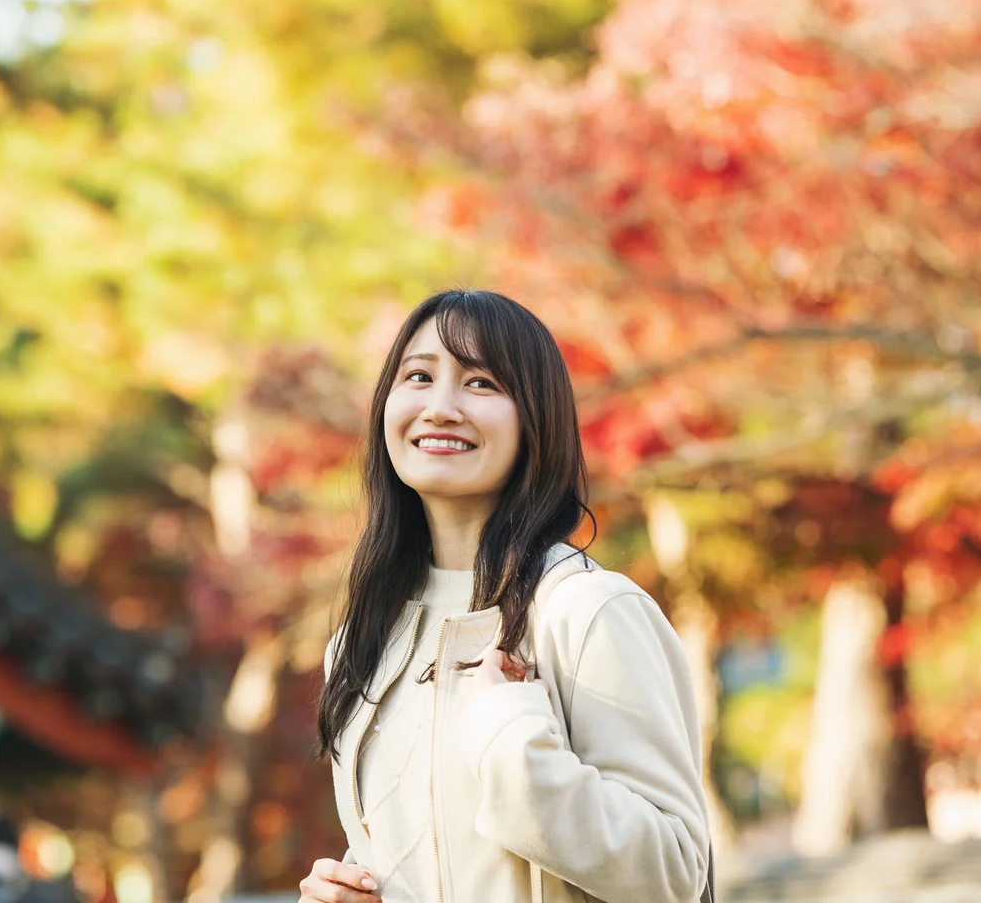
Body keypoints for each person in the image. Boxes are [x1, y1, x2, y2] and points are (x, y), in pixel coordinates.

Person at [301, 289, 711, 903]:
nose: (440, 407)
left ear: (533, 419)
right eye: (418, 376)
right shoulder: (360, 642)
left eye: (482, 383)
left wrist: (510, 735)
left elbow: (675, 873)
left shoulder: (586, 612)